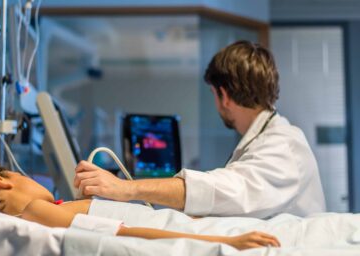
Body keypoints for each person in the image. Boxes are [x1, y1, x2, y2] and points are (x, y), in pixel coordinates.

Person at [74, 40, 326, 218]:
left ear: (223, 95)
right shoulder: (263, 141)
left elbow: (226, 189)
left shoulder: (285, 145)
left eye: (214, 95)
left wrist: (128, 189)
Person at [0, 165, 280, 250]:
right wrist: (227, 243)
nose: (32, 179)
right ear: (1, 182)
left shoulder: (47, 209)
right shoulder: (35, 211)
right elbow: (128, 235)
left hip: (196, 227)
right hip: (198, 237)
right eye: (20, 174)